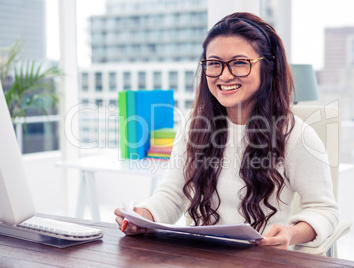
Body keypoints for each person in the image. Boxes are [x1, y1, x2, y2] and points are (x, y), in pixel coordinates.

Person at [115, 12, 338, 250]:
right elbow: (172, 195)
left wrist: (291, 234)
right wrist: (143, 216)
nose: (225, 75)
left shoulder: (295, 135)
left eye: (240, 63)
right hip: (200, 257)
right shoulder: (194, 124)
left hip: (262, 260)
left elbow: (324, 210)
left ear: (267, 66)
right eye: (214, 63)